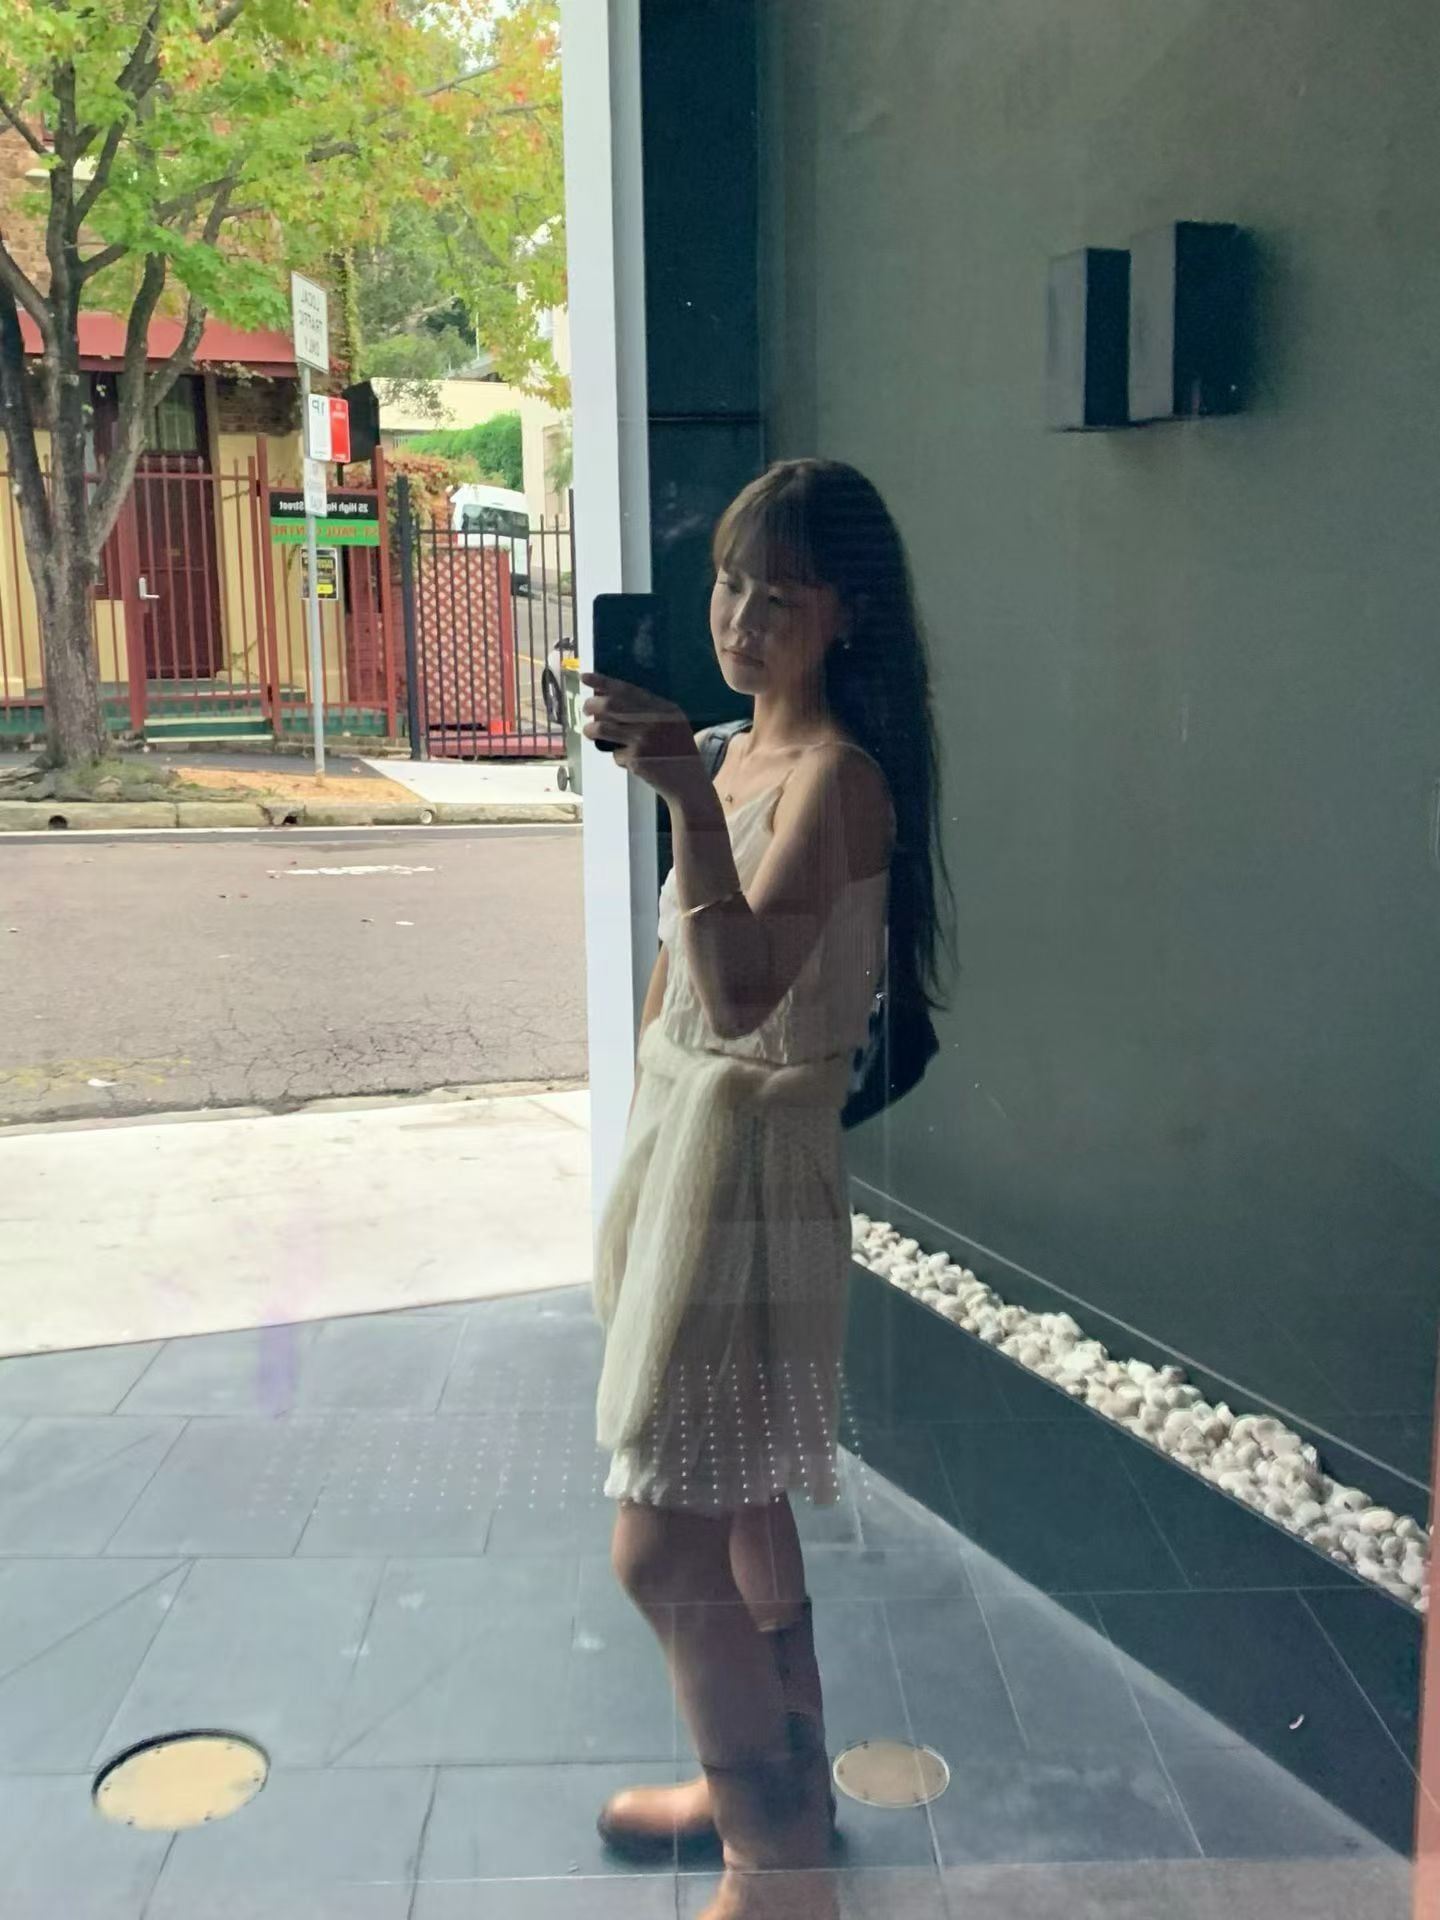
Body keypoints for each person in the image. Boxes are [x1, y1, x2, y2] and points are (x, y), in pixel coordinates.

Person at [582, 458, 950, 1918]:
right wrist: (639, 1155)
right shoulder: (737, 751)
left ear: (845, 613)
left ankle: (774, 1861)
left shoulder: (838, 781)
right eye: (729, 584)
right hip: (688, 1150)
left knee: (661, 1541)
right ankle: (775, 1785)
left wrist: (681, 793)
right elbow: (678, 992)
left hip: (749, 1168)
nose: (738, 618)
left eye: (778, 596)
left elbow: (741, 993)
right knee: (736, 1499)